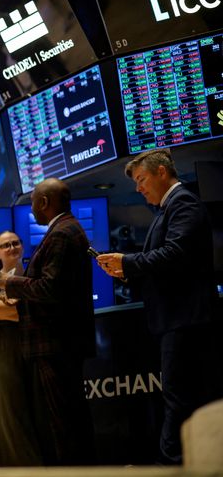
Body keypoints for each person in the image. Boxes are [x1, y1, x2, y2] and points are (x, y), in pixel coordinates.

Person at [97, 148, 223, 465]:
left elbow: (174, 255)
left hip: (186, 320)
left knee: (179, 397)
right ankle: (188, 461)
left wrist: (127, 263)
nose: (138, 188)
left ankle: (170, 464)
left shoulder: (183, 203)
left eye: (142, 179)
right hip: (175, 320)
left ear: (162, 173)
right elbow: (162, 265)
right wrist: (125, 272)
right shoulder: (165, 211)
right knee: (184, 396)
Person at [0, 178, 96, 466]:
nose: (32, 210)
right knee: (71, 419)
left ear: (43, 202)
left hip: (56, 343)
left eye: (33, 204)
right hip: (61, 341)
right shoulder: (67, 229)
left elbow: (49, 289)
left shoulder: (61, 234)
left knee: (65, 423)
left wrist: (12, 283)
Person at [0, 231, 42, 467]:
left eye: (15, 243)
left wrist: (12, 310)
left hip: (38, 352)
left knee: (41, 417)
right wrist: (37, 313)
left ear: (22, 247)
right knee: (11, 416)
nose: (12, 247)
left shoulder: (37, 275)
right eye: (5, 245)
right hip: (3, 355)